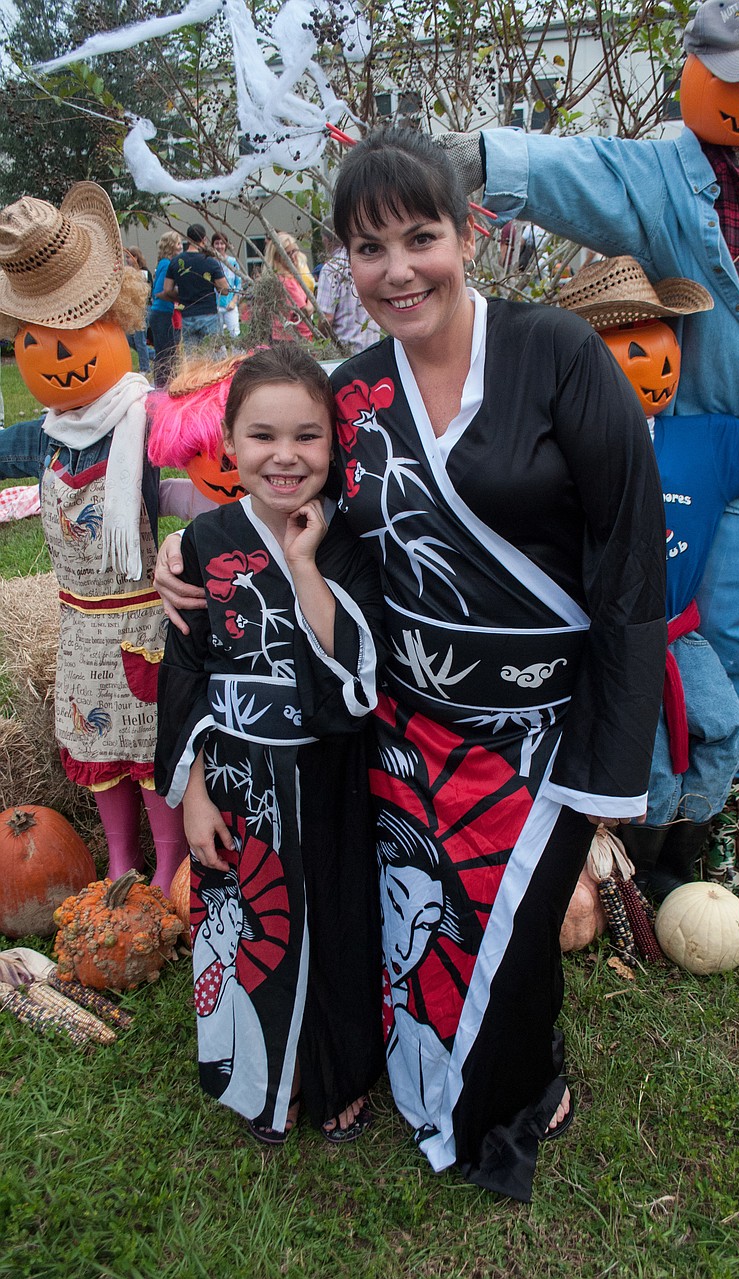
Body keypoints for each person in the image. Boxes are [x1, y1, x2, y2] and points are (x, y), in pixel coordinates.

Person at [155, 128, 667, 1201]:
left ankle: (522, 1082)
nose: (397, 270)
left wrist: (607, 768)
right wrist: (192, 546)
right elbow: (285, 495)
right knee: (425, 934)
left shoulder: (557, 354)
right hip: (406, 722)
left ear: (467, 233)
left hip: (539, 730)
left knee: (515, 947)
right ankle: (433, 1064)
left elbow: (627, 564)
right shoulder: (351, 394)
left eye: (419, 237)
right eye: (368, 248)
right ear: (343, 262)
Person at [440, 0, 739, 782]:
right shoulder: (656, 180)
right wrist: (485, 156)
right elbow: (581, 168)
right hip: (717, 472)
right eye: (737, 78)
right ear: (696, 76)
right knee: (730, 632)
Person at [560, 256, 739, 897]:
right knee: (651, 756)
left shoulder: (705, 443)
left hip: (676, 632)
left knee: (727, 728)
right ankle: (643, 870)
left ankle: (684, 849)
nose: (658, 365)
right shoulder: (565, 446)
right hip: (604, 641)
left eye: (667, 345)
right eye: (634, 348)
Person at [154, 343, 385, 1144]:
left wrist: (302, 561)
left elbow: (360, 672)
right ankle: (263, 1074)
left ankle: (338, 1072)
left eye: (307, 436)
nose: (285, 456)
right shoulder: (203, 543)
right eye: (262, 436)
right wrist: (191, 797)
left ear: (333, 442)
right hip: (238, 780)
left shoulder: (346, 538)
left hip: (326, 774)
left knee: (336, 921)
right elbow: (183, 673)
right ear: (227, 441)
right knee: (251, 927)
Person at [0, 182, 188, 892]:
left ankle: (168, 859)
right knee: (96, 745)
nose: (58, 356)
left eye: (75, 338)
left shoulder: (146, 417)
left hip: (142, 615)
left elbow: (203, 473)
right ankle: (120, 858)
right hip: (79, 624)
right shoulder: (41, 437)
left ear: (116, 323)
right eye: (36, 342)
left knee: (147, 750)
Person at [315, 229, 381, 354]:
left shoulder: (330, 269)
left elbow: (326, 318)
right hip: (373, 347)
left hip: (345, 351)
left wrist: (320, 340)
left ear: (326, 240)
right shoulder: (367, 260)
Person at [163, 223, 228, 349]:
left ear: (187, 239)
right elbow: (224, 289)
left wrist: (181, 296)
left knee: (192, 359)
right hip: (209, 314)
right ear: (204, 239)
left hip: (188, 315)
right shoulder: (210, 262)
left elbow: (167, 289)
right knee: (215, 355)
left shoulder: (176, 262)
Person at [262, 232, 314, 342]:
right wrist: (311, 301)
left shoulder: (292, 277)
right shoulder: (285, 281)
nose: (293, 257)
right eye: (288, 254)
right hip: (292, 338)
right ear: (277, 257)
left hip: (293, 336)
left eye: (294, 251)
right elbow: (306, 310)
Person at [149, 230, 183, 387]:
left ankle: (165, 383)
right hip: (161, 314)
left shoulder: (165, 263)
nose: (181, 246)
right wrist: (178, 298)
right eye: (178, 243)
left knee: (167, 351)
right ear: (170, 246)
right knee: (165, 353)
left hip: (163, 312)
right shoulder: (166, 264)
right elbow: (159, 292)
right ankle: (163, 386)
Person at [124, 246, 152, 374]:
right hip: (131, 310)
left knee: (140, 340)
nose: (127, 260)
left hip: (142, 309)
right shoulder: (127, 273)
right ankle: (154, 355)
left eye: (129, 257)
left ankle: (145, 367)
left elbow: (146, 291)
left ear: (136, 257)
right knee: (130, 339)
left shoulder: (144, 272)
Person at [210, 231, 242, 340]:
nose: (219, 246)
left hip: (230, 305)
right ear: (212, 245)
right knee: (217, 338)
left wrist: (234, 301)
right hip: (214, 306)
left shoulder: (232, 262)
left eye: (222, 243)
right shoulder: (210, 262)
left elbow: (239, 283)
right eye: (217, 243)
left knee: (235, 335)